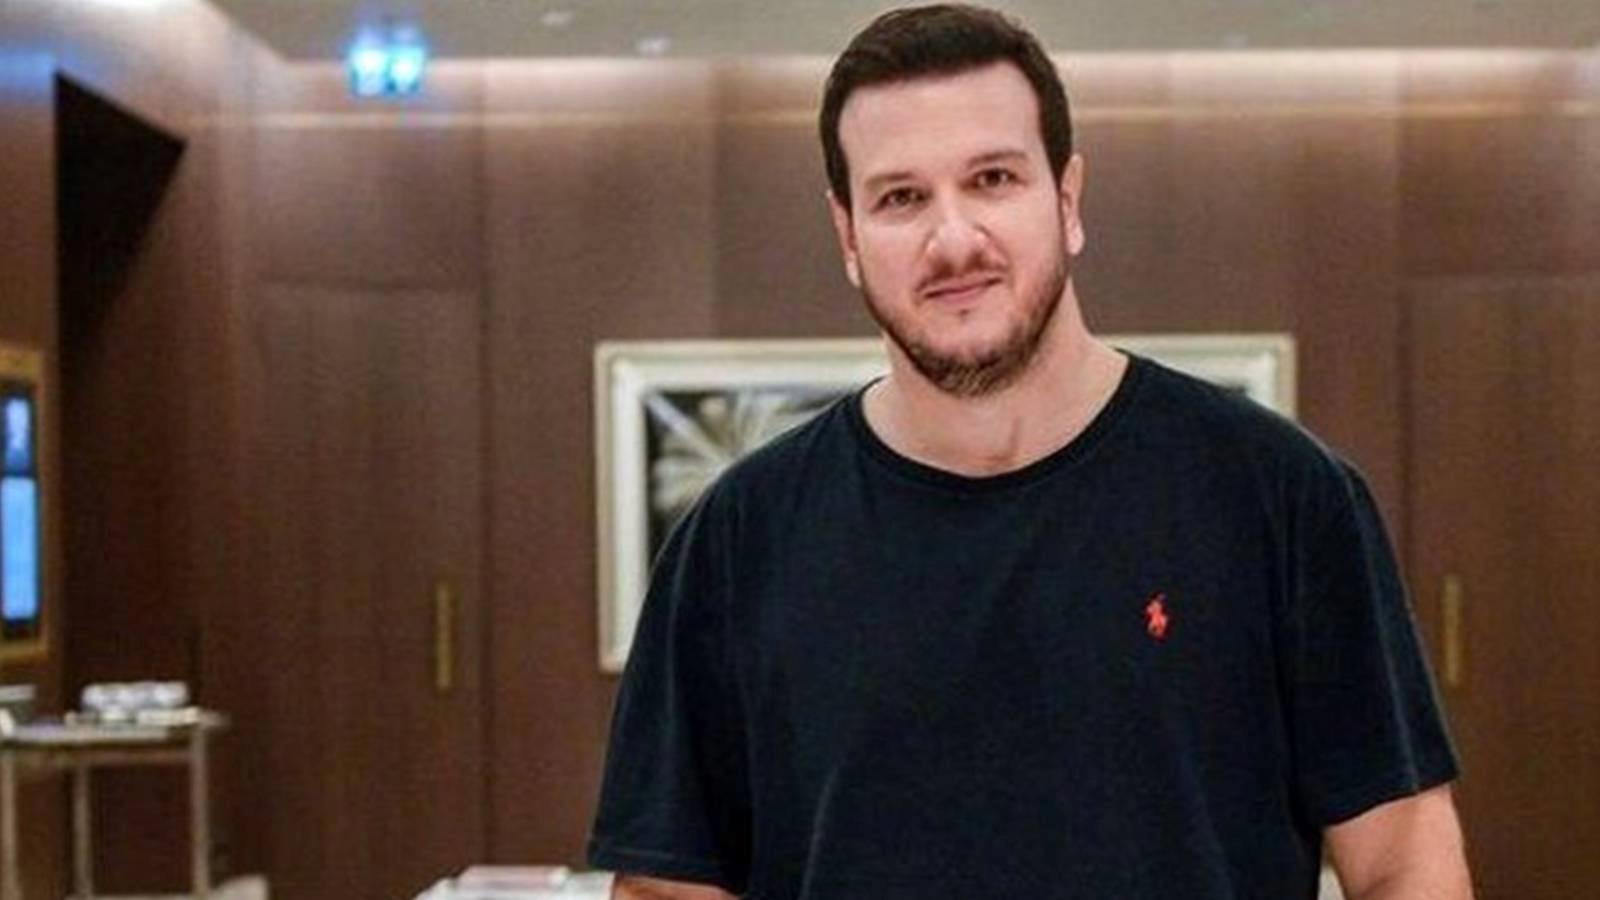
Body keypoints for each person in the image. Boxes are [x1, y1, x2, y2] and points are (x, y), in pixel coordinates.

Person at [587, 5, 1473, 898]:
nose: (953, 240)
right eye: (901, 198)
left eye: (992, 179)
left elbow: (1404, 858)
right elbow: (666, 888)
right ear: (849, 238)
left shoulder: (1279, 497)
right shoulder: (739, 540)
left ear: (1067, 200)